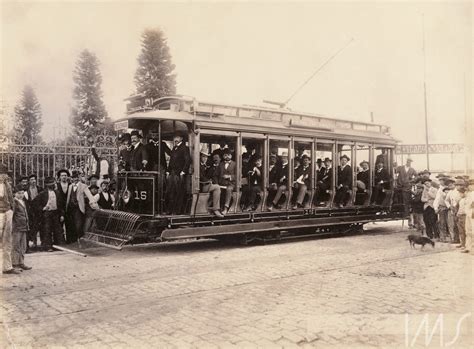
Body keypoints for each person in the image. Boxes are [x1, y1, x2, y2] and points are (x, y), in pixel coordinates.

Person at [64, 171, 99, 243]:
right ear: (71, 178)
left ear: (79, 178)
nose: (75, 179)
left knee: (79, 226)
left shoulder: (83, 186)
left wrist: (94, 204)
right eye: (73, 178)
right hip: (70, 209)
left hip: (78, 208)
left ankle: (81, 240)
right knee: (71, 225)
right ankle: (73, 242)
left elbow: (90, 196)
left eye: (76, 177)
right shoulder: (70, 186)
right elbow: (68, 198)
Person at [33, 177, 65, 251]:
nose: (53, 185)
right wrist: (43, 208)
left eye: (53, 183)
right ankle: (48, 246)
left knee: (58, 230)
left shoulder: (57, 193)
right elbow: (35, 204)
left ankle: (59, 245)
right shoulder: (42, 194)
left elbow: (61, 205)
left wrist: (62, 214)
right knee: (47, 230)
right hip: (47, 214)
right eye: (51, 183)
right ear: (47, 185)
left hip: (56, 213)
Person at [165, 131, 191, 214]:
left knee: (179, 193)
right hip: (172, 173)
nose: (175, 139)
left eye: (177, 137)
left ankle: (177, 211)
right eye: (174, 138)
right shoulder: (174, 148)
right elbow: (171, 161)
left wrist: (183, 172)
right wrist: (168, 171)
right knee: (170, 192)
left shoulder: (185, 148)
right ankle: (170, 210)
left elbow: (188, 160)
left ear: (181, 139)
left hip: (179, 174)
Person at [1, 164, 19, 274]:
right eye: (2, 174)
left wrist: (11, 210)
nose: (4, 176)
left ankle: (7, 267)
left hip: (7, 212)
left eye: (5, 174)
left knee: (7, 241)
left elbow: (11, 199)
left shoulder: (7, 184)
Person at [12, 185, 32, 271]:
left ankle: (21, 262)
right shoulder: (14, 202)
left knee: (23, 246)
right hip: (17, 227)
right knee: (16, 246)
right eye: (19, 193)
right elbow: (12, 215)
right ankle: (15, 263)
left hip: (24, 226)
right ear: (14, 194)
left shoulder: (23, 202)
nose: (21, 195)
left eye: (22, 193)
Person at [199, 152, 223, 217]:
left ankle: (209, 207)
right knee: (217, 188)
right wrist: (208, 181)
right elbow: (200, 177)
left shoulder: (205, 165)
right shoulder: (198, 166)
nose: (205, 158)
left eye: (206, 157)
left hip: (205, 184)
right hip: (201, 186)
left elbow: (207, 175)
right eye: (203, 157)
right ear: (200, 157)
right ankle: (215, 209)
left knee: (216, 189)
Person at [24, 174, 43, 251]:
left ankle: (41, 243)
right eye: (32, 180)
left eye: (34, 179)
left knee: (40, 226)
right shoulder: (26, 190)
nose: (33, 181)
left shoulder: (40, 188)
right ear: (29, 181)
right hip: (30, 211)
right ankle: (32, 243)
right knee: (32, 227)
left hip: (39, 210)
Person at [217, 148, 236, 215]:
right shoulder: (220, 164)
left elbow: (239, 175)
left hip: (231, 184)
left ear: (231, 156)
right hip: (221, 183)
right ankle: (217, 208)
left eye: (228, 155)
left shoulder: (235, 164)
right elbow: (217, 174)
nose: (227, 156)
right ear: (223, 156)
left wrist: (229, 177)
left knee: (229, 189)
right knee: (216, 189)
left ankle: (225, 208)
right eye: (225, 155)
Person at [445, 179, 463, 244]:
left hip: (458, 208)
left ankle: (461, 240)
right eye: (449, 186)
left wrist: (455, 206)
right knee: (453, 225)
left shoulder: (458, 191)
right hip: (452, 209)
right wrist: (449, 206)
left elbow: (460, 200)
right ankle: (455, 239)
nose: (450, 186)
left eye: (451, 185)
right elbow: (446, 200)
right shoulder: (450, 192)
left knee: (459, 225)